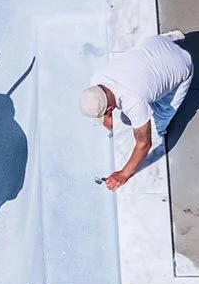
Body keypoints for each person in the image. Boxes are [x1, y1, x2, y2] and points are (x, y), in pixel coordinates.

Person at [81, 30, 193, 191]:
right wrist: (107, 114)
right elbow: (106, 94)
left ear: (110, 107)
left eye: (106, 112)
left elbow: (144, 144)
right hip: (156, 44)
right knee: (146, 57)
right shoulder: (98, 77)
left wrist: (123, 175)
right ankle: (170, 41)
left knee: (155, 129)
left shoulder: (133, 102)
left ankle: (174, 55)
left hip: (183, 64)